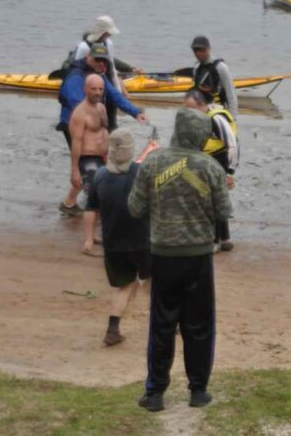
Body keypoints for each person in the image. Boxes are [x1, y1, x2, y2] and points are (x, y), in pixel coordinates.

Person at [128, 108, 233, 412]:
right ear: (201, 136)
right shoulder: (211, 168)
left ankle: (155, 393)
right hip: (198, 256)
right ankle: (198, 390)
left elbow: (135, 207)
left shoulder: (152, 162)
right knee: (199, 325)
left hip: (163, 254)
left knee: (162, 324)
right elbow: (224, 212)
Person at [58, 43, 147, 217]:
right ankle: (94, 204)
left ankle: (69, 203)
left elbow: (115, 95)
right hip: (74, 124)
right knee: (87, 165)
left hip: (92, 126)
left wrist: (135, 112)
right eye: (97, 60)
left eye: (104, 61)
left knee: (95, 162)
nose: (101, 64)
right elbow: (78, 105)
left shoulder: (99, 76)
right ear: (88, 57)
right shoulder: (76, 77)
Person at [87, 128, 150, 347]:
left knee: (124, 286)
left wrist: (88, 238)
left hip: (113, 243)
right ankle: (169, 323)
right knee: (154, 282)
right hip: (143, 241)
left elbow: (90, 209)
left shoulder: (100, 176)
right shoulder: (142, 172)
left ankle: (113, 329)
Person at [184, 89, 240, 251]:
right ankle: (225, 238)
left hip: (219, 162)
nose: (188, 112)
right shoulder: (195, 118)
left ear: (202, 105)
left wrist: (230, 173)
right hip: (204, 160)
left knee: (212, 200)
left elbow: (232, 145)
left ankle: (214, 241)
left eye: (191, 108)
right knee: (213, 199)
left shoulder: (216, 119)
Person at [69, 73, 110, 256]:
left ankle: (94, 236)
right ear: (85, 89)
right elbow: (76, 142)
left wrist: (110, 155)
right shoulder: (80, 113)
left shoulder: (101, 107)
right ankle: (87, 242)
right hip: (87, 159)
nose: (97, 92)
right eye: (93, 89)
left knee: (104, 198)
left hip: (103, 158)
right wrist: (75, 170)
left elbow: (105, 132)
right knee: (92, 200)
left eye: (100, 89)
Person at [190, 35, 238, 119]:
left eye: (202, 49)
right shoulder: (196, 68)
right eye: (195, 50)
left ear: (209, 49)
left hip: (218, 115)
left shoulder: (221, 67)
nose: (198, 53)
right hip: (202, 114)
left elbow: (231, 96)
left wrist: (231, 119)